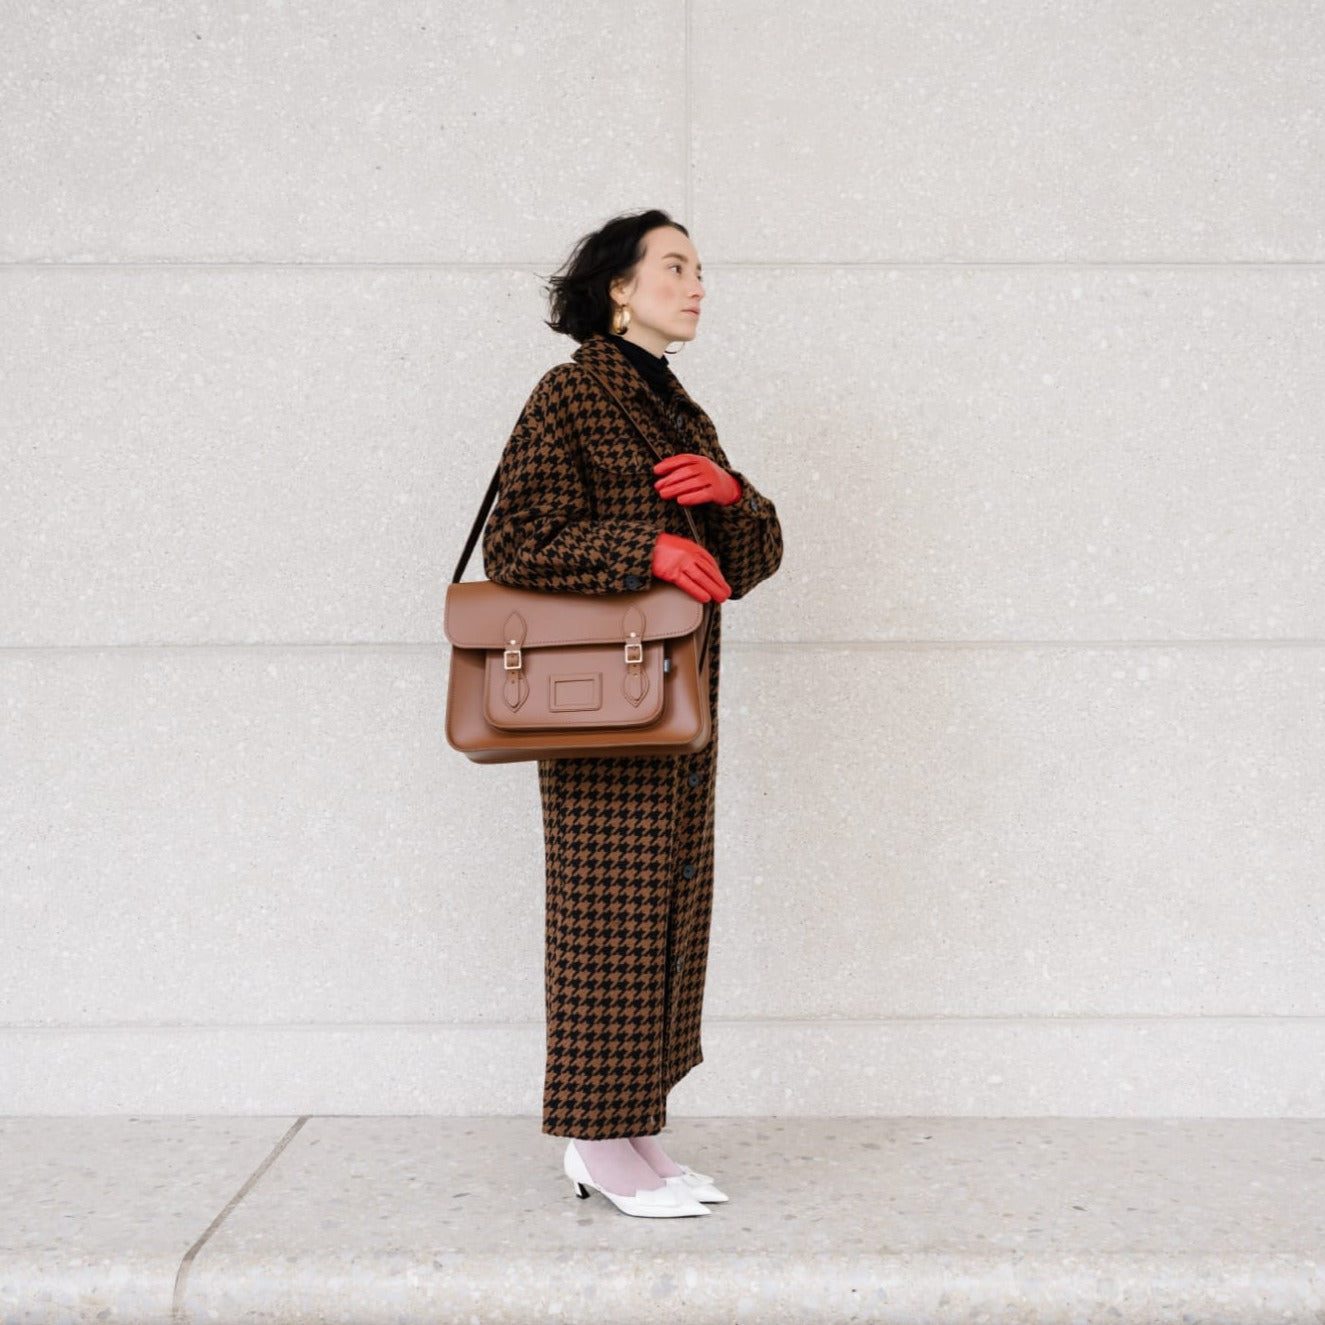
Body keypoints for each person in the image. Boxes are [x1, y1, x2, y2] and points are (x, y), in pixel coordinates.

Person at [481, 209, 783, 1218]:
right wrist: (640, 547)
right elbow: (516, 542)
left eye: (700, 268)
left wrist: (732, 495)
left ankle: (633, 1127)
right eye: (674, 267)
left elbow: (746, 561)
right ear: (618, 285)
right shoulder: (572, 392)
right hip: (600, 700)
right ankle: (594, 1140)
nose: (696, 284)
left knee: (664, 907)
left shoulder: (676, 406)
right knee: (606, 912)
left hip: (677, 701)